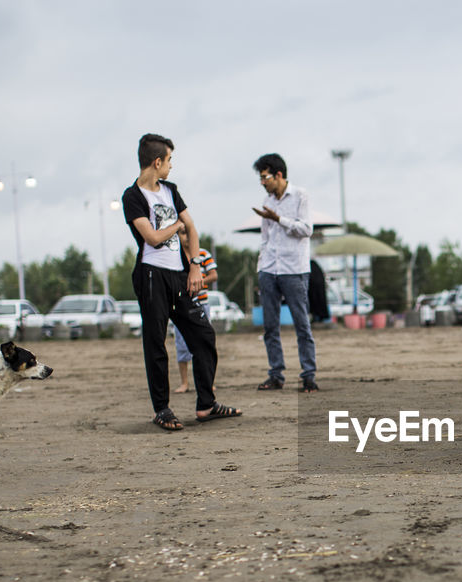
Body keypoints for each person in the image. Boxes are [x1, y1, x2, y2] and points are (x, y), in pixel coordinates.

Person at [122, 133, 240, 430]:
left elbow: (193, 228)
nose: (172, 166)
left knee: (203, 335)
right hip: (151, 275)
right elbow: (152, 237)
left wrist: (195, 266)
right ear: (157, 161)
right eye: (170, 160)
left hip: (179, 274)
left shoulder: (171, 190)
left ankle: (206, 404)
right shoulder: (132, 197)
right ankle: (162, 409)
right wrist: (177, 224)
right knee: (156, 343)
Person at [252, 153, 317, 392]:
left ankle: (308, 374)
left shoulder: (300, 195)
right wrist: (261, 267)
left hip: (294, 269)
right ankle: (276, 374)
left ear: (278, 175)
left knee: (302, 325)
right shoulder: (267, 201)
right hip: (270, 269)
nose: (263, 182)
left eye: (265, 177)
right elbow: (265, 238)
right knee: (270, 326)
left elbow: (306, 229)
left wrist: (278, 218)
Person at [172, 247, 218, 394]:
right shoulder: (174, 255)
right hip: (181, 305)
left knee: (205, 342)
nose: (184, 236)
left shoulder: (202, 254)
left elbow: (214, 275)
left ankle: (208, 382)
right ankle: (184, 382)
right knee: (181, 344)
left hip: (202, 304)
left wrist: (197, 280)